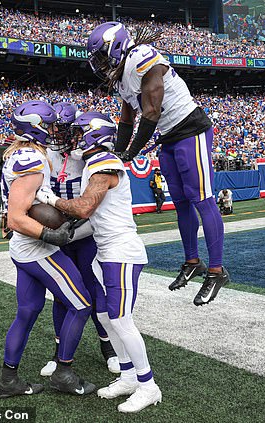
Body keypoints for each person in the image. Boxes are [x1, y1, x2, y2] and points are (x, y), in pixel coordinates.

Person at [87, 22, 230, 306]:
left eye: (103, 56)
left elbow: (150, 112)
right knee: (181, 203)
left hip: (190, 129)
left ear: (117, 46)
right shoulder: (120, 78)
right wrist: (117, 153)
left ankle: (216, 271)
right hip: (169, 136)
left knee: (203, 200)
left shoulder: (142, 56)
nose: (101, 65)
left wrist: (131, 154)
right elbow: (127, 120)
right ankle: (193, 261)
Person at [36, 111, 162, 413]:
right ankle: (130, 375)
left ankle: (148, 385)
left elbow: (83, 207)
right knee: (105, 317)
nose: (74, 139)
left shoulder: (105, 165)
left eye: (79, 133)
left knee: (120, 320)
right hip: (106, 250)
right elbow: (95, 221)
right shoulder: (94, 164)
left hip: (122, 251)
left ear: (94, 136)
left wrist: (50, 199)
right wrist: (65, 236)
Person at [0, 100, 94, 398]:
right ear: (35, 127)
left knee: (27, 311)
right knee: (81, 304)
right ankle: (63, 373)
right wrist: (50, 236)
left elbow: (13, 210)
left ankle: (8, 380)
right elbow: (15, 217)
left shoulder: (20, 154)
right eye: (49, 125)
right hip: (35, 248)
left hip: (22, 248)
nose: (53, 130)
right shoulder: (32, 160)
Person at [38, 101, 119, 378]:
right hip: (56, 236)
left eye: (63, 130)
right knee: (61, 296)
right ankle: (59, 352)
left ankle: (108, 347)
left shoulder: (89, 157)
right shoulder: (44, 155)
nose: (57, 135)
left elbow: (92, 203)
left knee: (96, 293)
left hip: (84, 233)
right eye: (54, 129)